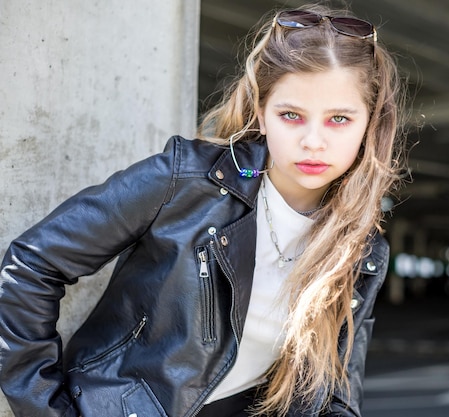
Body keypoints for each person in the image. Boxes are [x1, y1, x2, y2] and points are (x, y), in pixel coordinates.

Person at [0, 3, 407, 416]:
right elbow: (31, 265)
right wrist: (45, 409)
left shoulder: (361, 250)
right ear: (263, 115)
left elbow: (337, 390)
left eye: (339, 118)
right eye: (291, 115)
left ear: (368, 124)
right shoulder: (186, 182)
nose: (314, 141)